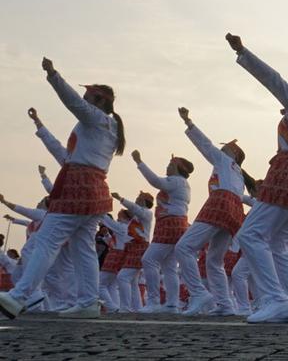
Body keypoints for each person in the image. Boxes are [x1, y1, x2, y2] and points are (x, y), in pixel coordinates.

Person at [0, 58, 122, 320]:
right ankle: (89, 301)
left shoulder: (98, 119)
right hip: (92, 189)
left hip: (79, 189)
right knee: (83, 247)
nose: (84, 98)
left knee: (45, 241)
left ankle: (18, 297)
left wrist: (53, 75)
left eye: (89, 95)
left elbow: (73, 103)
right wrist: (40, 127)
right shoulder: (100, 127)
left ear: (100, 101)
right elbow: (64, 153)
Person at [226, 33, 288, 324]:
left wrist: (244, 52)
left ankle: (275, 298)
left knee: (250, 234)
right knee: (280, 243)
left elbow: (274, 81)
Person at [173, 107, 250, 315]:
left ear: (234, 153)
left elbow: (205, 146)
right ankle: (225, 305)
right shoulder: (239, 173)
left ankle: (199, 294)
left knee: (183, 248)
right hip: (234, 211)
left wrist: (189, 123)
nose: (222, 148)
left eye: (227, 147)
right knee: (214, 260)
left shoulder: (225, 161)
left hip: (220, 203)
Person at [131, 149, 193, 312]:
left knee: (149, 260)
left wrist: (139, 163)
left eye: (169, 164)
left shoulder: (176, 181)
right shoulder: (182, 183)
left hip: (169, 224)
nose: (167, 167)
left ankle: (153, 302)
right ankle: (172, 303)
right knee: (169, 266)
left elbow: (156, 182)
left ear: (176, 167)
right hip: (176, 224)